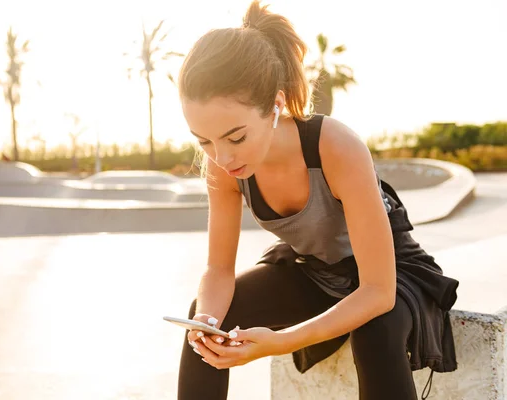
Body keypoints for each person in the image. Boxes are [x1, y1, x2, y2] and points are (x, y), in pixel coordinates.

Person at [175, 1, 459, 399]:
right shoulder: (224, 166)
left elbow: (378, 290)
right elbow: (218, 270)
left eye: (236, 137)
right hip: (314, 271)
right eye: (204, 141)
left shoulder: (335, 146)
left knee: (375, 329)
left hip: (388, 276)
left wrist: (284, 340)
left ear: (275, 105)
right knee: (205, 319)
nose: (222, 157)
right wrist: (206, 323)